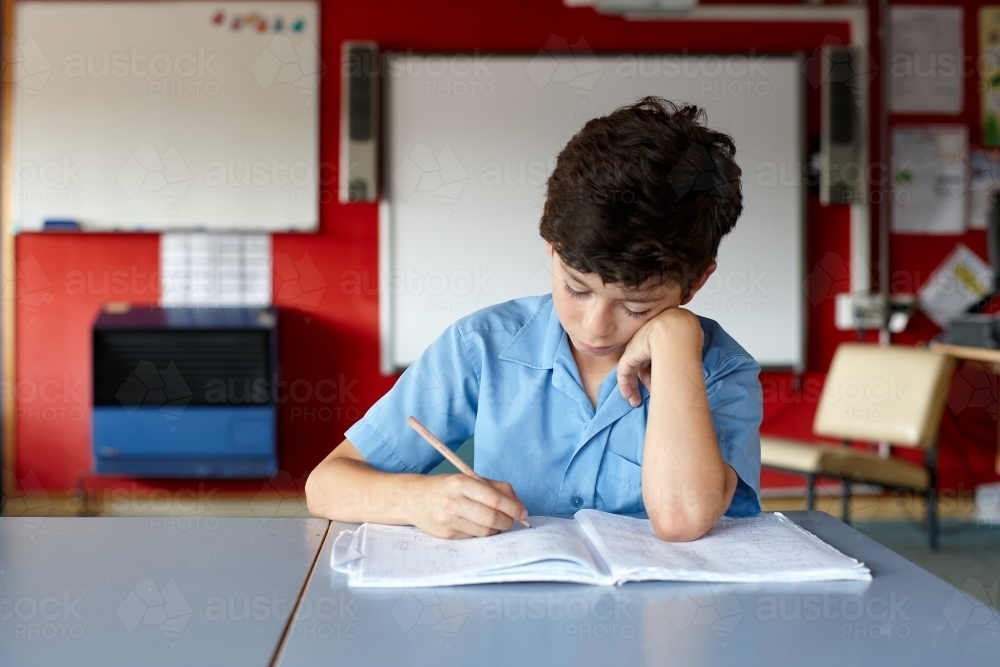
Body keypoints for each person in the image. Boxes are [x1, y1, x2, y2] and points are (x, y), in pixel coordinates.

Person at [305, 96, 762, 542]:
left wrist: (678, 336)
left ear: (695, 284)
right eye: (576, 289)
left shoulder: (719, 372)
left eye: (637, 307)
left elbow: (682, 519)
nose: (594, 326)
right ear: (550, 239)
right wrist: (417, 500)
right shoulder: (481, 345)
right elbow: (325, 485)